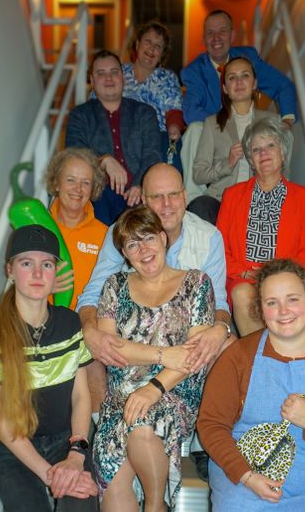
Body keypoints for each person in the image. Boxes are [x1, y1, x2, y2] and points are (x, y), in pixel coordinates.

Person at [78, 163, 233, 481]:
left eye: (173, 195)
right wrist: (90, 331)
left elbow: (219, 302)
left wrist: (220, 328)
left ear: (185, 196)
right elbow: (93, 293)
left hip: (183, 354)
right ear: (143, 200)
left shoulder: (208, 237)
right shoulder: (121, 234)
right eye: (157, 197)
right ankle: (108, 433)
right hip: (132, 350)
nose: (166, 204)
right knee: (89, 346)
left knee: (227, 345)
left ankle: (204, 443)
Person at [197, 258, 305, 511]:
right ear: (260, 309)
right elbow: (211, 426)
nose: (283, 311)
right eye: (272, 302)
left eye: (292, 299)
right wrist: (247, 476)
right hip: (246, 487)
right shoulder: (238, 356)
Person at [0, 225, 98, 512]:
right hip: (14, 449)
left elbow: (81, 397)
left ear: (55, 272)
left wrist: (76, 456)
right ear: (10, 270)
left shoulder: (69, 323)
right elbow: (1, 420)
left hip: (68, 440)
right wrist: (51, 475)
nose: (38, 274)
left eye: (46, 264)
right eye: (27, 263)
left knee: (82, 505)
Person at [92, 205, 215, 511]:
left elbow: (195, 354)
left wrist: (154, 388)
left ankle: (156, 505)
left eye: (148, 238)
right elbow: (110, 347)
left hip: (173, 392)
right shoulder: (114, 286)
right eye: (132, 244)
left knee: (143, 425)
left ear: (163, 238)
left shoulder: (196, 283)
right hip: (119, 399)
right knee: (113, 495)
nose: (143, 250)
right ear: (125, 254)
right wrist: (164, 354)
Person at [180, 9, 298, 202]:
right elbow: (191, 112)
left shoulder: (247, 59)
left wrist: (286, 121)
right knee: (194, 129)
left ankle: (278, 194)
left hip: (250, 125)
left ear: (233, 35)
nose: (216, 38)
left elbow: (283, 86)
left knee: (279, 131)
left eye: (222, 31)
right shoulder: (193, 71)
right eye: (210, 33)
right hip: (216, 132)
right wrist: (225, 125)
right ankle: (195, 199)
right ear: (203, 38)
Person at [216, 116, 305, 337]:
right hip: (242, 277)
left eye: (270, 146)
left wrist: (276, 274)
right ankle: (264, 356)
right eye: (256, 149)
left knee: (279, 295)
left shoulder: (303, 197)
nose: (263, 153)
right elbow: (219, 249)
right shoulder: (232, 196)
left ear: (282, 153)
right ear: (251, 160)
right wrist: (244, 272)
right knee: (243, 293)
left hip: (284, 277)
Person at [66, 49, 162, 226]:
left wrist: (141, 184)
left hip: (137, 194)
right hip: (98, 195)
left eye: (114, 72)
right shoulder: (80, 115)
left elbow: (153, 154)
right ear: (92, 81)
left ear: (122, 78)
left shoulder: (145, 113)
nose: (108, 78)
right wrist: (103, 160)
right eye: (101, 73)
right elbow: (74, 154)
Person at [188, 56, 285, 224]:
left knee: (302, 205)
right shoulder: (212, 123)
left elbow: (283, 167)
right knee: (200, 206)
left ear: (254, 83)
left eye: (245, 75)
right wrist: (228, 163)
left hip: (260, 199)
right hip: (221, 201)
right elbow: (199, 174)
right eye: (232, 77)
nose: (239, 82)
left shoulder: (272, 120)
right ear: (225, 88)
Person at [45, 147, 108, 309]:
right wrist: (41, 289)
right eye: (70, 180)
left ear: (93, 188)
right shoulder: (38, 228)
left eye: (86, 182)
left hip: (88, 319)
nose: (78, 189)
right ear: (56, 183)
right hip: (43, 317)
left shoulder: (106, 235)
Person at [123, 21, 184, 171]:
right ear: (137, 44)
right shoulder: (118, 72)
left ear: (162, 53)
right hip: (123, 135)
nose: (152, 49)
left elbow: (174, 111)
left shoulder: (168, 78)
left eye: (158, 46)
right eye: (148, 42)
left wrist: (174, 126)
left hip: (157, 138)